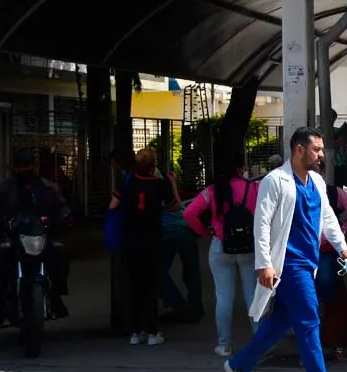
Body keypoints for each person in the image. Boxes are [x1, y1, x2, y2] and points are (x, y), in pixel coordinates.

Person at [224, 127, 347, 372]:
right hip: (288, 265)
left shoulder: (318, 183)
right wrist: (264, 264)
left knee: (279, 323)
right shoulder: (275, 181)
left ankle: (240, 365)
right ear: (299, 149)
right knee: (309, 320)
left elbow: (327, 217)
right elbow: (260, 223)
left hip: (308, 262)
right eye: (317, 149)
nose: (321, 155)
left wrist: (342, 247)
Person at [0, 149, 72, 328]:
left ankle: (56, 295)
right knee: (0, 257)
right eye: (21, 167)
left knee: (60, 253)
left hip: (42, 236)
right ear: (14, 168)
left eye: (28, 166)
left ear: (35, 166)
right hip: (13, 238)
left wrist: (65, 218)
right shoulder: (4, 188)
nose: (25, 171)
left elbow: (62, 206)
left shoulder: (48, 188)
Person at [183, 154, 260, 356]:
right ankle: (259, 342)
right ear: (240, 168)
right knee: (253, 296)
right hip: (249, 247)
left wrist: (205, 232)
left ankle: (224, 344)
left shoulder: (212, 191)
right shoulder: (254, 189)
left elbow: (189, 213)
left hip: (220, 246)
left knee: (224, 297)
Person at [110, 148, 179, 346]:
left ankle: (135, 331)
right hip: (152, 240)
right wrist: (172, 184)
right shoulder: (159, 184)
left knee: (134, 285)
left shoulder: (128, 183)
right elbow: (175, 205)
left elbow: (113, 206)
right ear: (154, 165)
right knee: (151, 285)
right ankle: (152, 331)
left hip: (131, 240)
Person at [316, 179, 347, 361]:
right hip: (305, 254)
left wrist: (340, 233)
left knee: (333, 300)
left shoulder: (333, 193)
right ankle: (313, 348)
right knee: (311, 302)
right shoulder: (294, 191)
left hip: (328, 253)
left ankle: (337, 345)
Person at [160, 181, 204, 325]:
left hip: (167, 230)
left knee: (159, 272)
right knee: (191, 270)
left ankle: (182, 307)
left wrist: (172, 186)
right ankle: (194, 307)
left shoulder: (156, 182)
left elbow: (176, 204)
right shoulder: (161, 179)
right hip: (182, 228)